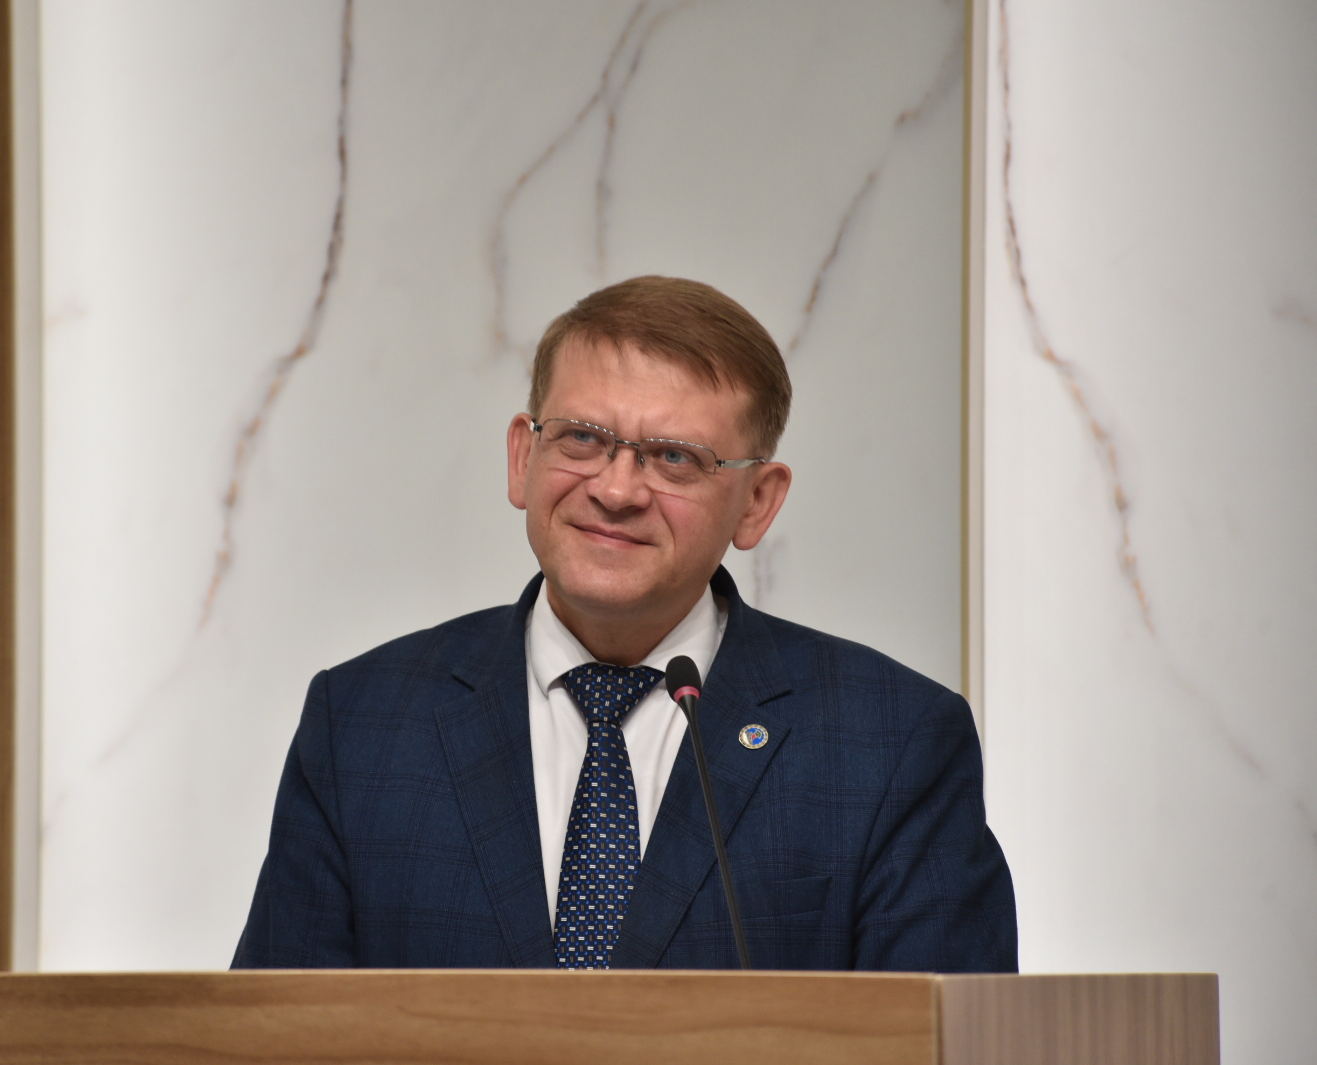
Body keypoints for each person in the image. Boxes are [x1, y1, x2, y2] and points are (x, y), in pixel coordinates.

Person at [232, 276, 1016, 971]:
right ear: (522, 458)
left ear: (757, 502)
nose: (616, 490)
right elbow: (273, 1043)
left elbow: (946, 1045)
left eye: (674, 458)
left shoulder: (893, 743)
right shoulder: (361, 724)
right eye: (583, 438)